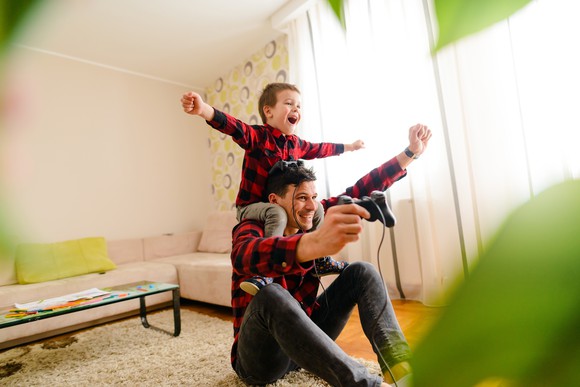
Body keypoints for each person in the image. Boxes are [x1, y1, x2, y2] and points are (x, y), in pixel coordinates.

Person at [230, 123, 432, 387]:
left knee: (363, 271)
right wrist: (311, 244)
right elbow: (244, 256)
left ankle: (403, 372)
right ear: (274, 201)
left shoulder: (315, 215)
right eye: (302, 198)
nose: (311, 206)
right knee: (270, 294)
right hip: (260, 362)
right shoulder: (251, 226)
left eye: (314, 196)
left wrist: (410, 153)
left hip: (303, 344)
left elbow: (360, 189)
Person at [181, 83, 364, 295]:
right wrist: (204, 110)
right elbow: (234, 126)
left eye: (299, 106)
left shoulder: (296, 144)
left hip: (277, 203)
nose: (296, 109)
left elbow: (320, 149)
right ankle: (266, 271)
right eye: (289, 104)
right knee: (275, 212)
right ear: (268, 111)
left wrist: (349, 147)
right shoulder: (259, 137)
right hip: (251, 206)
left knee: (319, 209)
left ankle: (320, 262)